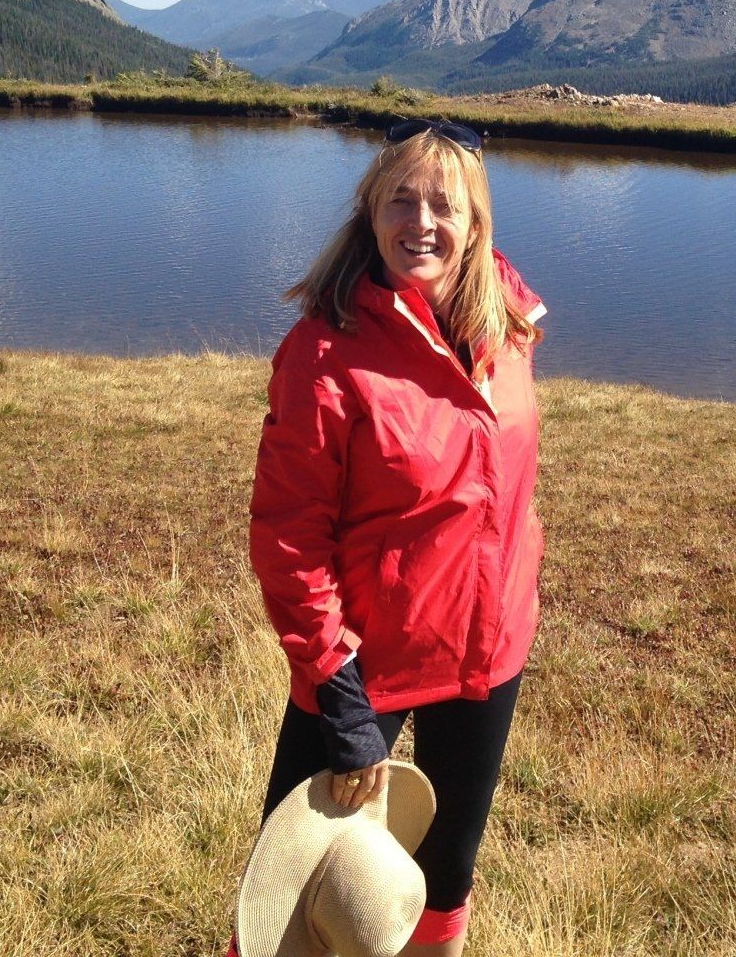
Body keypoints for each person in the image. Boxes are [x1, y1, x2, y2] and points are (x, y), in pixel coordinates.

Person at [233, 117, 548, 956]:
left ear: (476, 222)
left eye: (443, 204)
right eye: (400, 200)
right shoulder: (325, 353)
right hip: (366, 663)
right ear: (369, 212)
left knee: (442, 876)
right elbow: (289, 537)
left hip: (487, 651)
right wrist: (337, 687)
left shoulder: (508, 326)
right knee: (295, 888)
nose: (422, 222)